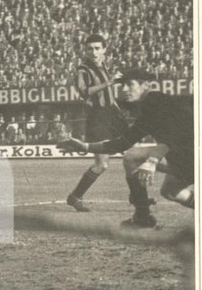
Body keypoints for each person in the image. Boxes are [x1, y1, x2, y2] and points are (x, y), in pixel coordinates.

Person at [57, 68, 193, 227]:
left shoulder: (156, 99)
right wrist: (85, 146)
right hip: (185, 159)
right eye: (122, 86)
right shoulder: (147, 109)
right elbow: (122, 143)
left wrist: (152, 160)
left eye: (130, 84)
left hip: (192, 155)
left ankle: (142, 217)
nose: (125, 89)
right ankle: (142, 217)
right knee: (170, 192)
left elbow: (173, 134)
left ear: (145, 86)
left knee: (131, 158)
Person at [65, 34, 137, 214]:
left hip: (112, 114)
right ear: (86, 50)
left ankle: (138, 197)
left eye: (97, 48)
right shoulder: (83, 69)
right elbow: (84, 92)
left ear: (104, 49)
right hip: (97, 117)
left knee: (132, 154)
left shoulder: (103, 65)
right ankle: (75, 197)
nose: (94, 52)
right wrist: (110, 82)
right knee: (101, 164)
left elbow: (109, 95)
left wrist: (117, 110)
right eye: (90, 48)